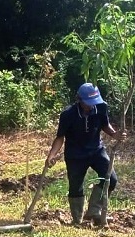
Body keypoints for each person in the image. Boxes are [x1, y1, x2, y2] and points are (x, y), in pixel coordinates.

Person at [45, 83, 127, 226]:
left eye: (94, 102)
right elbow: (60, 137)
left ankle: (94, 211)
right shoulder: (68, 115)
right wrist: (51, 155)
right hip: (75, 155)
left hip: (96, 150)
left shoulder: (101, 107)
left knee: (111, 179)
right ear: (79, 100)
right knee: (76, 187)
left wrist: (115, 134)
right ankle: (77, 220)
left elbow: (104, 125)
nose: (91, 106)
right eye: (88, 103)